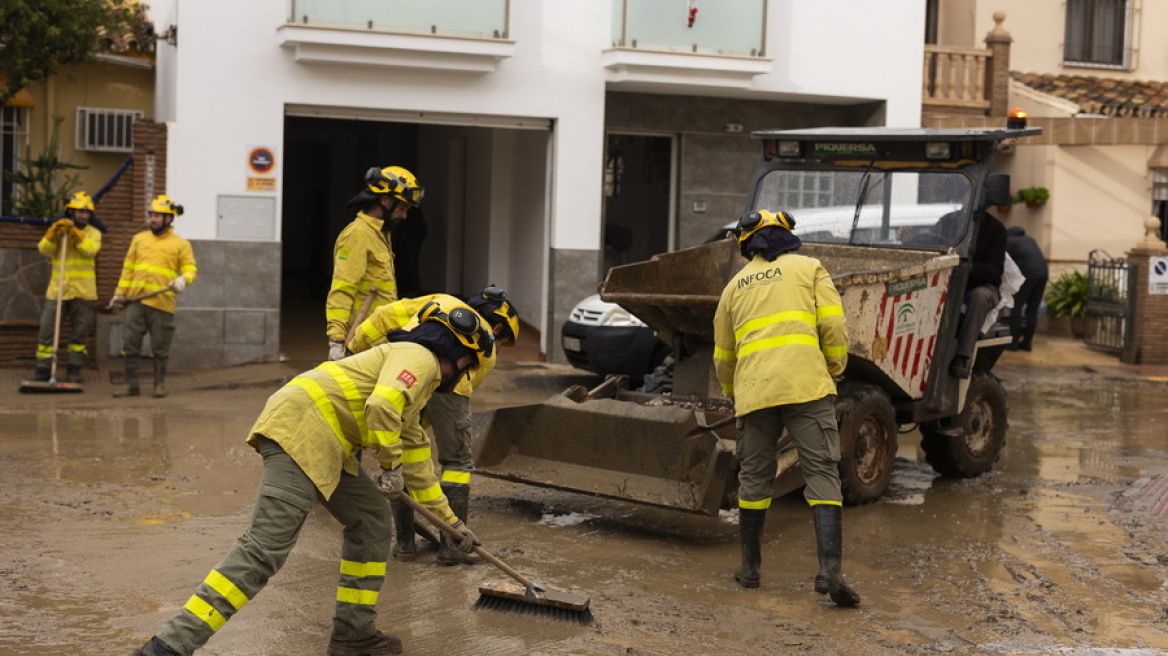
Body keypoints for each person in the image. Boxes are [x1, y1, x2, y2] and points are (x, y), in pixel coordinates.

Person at [128, 303, 491, 656]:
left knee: (371, 520)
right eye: (469, 368)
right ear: (461, 355)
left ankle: (354, 633)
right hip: (302, 430)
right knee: (264, 549)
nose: (465, 376)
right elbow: (381, 406)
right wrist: (389, 466)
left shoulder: (417, 390)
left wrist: (452, 525)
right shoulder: (419, 356)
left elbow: (420, 469)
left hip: (330, 445)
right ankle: (169, 646)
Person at [713, 209, 860, 608]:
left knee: (755, 479)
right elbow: (833, 327)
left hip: (755, 393)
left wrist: (736, 393)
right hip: (805, 385)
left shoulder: (734, 287)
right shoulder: (810, 269)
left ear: (747, 245)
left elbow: (724, 356)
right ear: (787, 235)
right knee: (822, 474)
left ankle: (750, 571)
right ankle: (829, 571)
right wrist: (832, 369)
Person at [347, 285, 520, 566]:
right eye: (504, 341)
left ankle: (405, 544)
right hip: (447, 390)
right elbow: (453, 387)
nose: (499, 348)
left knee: (402, 457)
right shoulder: (486, 347)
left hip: (404, 376)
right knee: (457, 464)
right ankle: (452, 546)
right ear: (499, 326)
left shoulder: (441, 301)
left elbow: (383, 314)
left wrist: (353, 349)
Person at [327, 166, 424, 361]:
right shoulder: (357, 235)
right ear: (385, 200)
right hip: (360, 341)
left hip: (379, 337)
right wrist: (337, 340)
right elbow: (342, 289)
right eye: (403, 208)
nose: (404, 216)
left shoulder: (381, 234)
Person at [111, 195, 197, 398]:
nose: (153, 219)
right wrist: (119, 293)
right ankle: (131, 386)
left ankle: (159, 385)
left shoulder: (181, 244)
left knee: (160, 346)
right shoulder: (139, 239)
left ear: (169, 219)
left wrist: (182, 280)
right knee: (129, 342)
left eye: (157, 215)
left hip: (162, 303)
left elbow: (190, 269)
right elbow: (128, 268)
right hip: (136, 301)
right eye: (151, 215)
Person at [31, 191, 102, 384]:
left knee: (80, 333)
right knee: (47, 331)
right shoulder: (60, 232)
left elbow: (91, 251)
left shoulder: (94, 233)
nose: (83, 216)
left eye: (86, 213)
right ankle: (44, 369)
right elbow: (44, 250)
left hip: (84, 293)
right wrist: (52, 233)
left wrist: (76, 234)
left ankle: (74, 369)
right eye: (79, 212)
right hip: (58, 291)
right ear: (70, 212)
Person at [949, 210, 1006, 378]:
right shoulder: (949, 220)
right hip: (949, 284)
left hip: (980, 286)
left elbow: (995, 271)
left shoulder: (995, 228)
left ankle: (963, 356)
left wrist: (968, 266)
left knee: (980, 296)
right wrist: (908, 238)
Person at [1005, 226, 1048, 351]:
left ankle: (1013, 343)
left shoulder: (1010, 241)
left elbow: (1005, 262)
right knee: (1032, 310)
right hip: (1043, 274)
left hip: (1028, 275)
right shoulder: (1030, 239)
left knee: (1016, 306)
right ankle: (1027, 343)